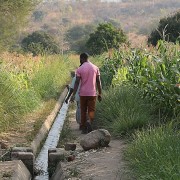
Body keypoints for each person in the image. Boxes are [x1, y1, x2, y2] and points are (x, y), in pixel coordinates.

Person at [71, 53, 102, 134]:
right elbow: (98, 81)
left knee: (83, 110)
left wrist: (73, 94)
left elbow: (77, 82)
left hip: (83, 93)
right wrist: (100, 93)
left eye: (80, 59)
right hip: (92, 93)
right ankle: (89, 121)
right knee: (91, 110)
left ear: (82, 58)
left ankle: (84, 127)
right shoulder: (95, 68)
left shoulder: (80, 69)